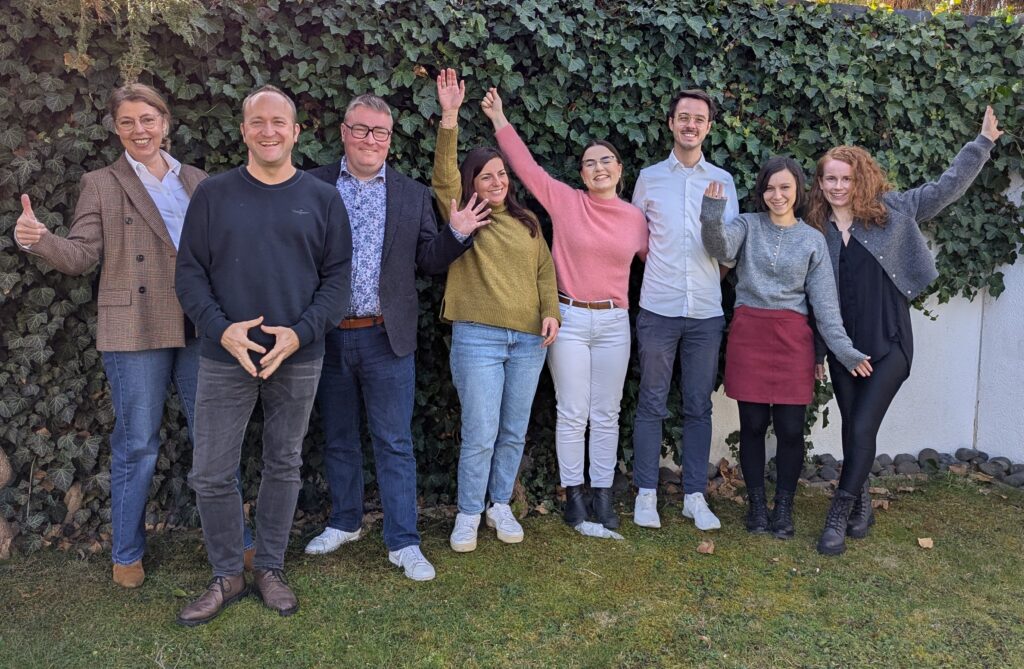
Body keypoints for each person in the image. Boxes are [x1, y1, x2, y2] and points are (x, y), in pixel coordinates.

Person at [13, 83, 253, 588]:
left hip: (200, 322)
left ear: (165, 123)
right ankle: (126, 552)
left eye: (148, 119)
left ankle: (237, 542)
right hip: (135, 324)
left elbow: (224, 252)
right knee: (138, 445)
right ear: (116, 129)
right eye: (127, 121)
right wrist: (41, 241)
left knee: (213, 439)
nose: (139, 130)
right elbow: (81, 255)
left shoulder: (198, 180)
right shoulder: (101, 183)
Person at [174, 85, 351, 625]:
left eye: (279, 122)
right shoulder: (213, 195)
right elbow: (189, 275)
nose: (268, 131)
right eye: (258, 122)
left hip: (297, 355)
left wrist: (299, 334)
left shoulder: (323, 198)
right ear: (244, 131)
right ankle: (227, 573)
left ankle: (269, 567)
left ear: (296, 132)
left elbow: (337, 282)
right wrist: (221, 330)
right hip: (223, 355)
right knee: (210, 472)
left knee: (284, 463)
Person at [303, 93, 490, 581]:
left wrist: (456, 234)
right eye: (361, 129)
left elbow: (427, 260)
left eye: (380, 132)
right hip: (327, 335)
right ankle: (345, 521)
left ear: (390, 140)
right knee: (338, 436)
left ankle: (403, 540)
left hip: (387, 337)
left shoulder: (410, 193)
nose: (370, 139)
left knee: (394, 442)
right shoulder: (312, 185)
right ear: (344, 132)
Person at [805, 106, 1003, 555]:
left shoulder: (891, 211)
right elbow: (813, 298)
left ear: (861, 179)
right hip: (842, 348)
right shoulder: (816, 229)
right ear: (820, 183)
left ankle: (839, 511)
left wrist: (982, 144)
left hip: (889, 341)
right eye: (830, 179)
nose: (838, 186)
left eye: (846, 178)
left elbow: (944, 188)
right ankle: (862, 506)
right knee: (854, 426)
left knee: (862, 424)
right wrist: (819, 349)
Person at [479, 85, 648, 530]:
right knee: (573, 411)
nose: (598, 167)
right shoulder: (567, 202)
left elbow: (662, 264)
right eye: (590, 162)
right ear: (581, 173)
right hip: (568, 318)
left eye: (606, 161)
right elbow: (526, 169)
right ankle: (574, 495)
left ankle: (603, 495)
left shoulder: (636, 219)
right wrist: (499, 119)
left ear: (620, 170)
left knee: (606, 412)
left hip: (614, 321)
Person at [700, 157, 872, 539]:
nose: (777, 195)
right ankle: (757, 506)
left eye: (785, 188)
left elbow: (825, 305)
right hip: (749, 333)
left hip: (793, 339)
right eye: (770, 188)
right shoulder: (747, 224)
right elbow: (717, 247)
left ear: (798, 191)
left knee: (791, 429)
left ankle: (783, 508)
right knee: (753, 425)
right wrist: (711, 212)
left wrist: (842, 350)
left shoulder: (812, 240)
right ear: (761, 191)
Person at [432, 70, 560, 552]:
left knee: (512, 432)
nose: (498, 181)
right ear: (472, 183)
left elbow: (545, 272)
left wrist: (551, 312)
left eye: (502, 174)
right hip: (478, 338)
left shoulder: (528, 223)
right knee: (480, 433)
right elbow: (444, 177)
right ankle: (468, 512)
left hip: (529, 341)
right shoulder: (465, 217)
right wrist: (450, 117)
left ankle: (499, 503)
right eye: (487, 175)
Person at [630, 89, 738, 531]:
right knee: (651, 402)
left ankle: (695, 495)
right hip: (658, 309)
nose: (691, 124)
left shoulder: (723, 181)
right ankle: (646, 494)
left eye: (699, 119)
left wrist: (709, 278)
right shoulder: (649, 178)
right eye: (684, 117)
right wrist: (665, 270)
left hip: (706, 313)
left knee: (698, 405)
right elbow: (638, 242)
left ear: (708, 127)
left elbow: (729, 249)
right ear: (671, 123)